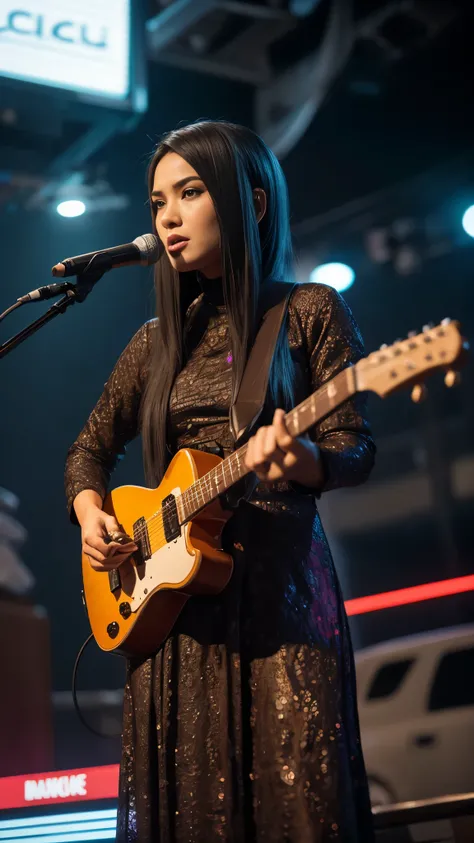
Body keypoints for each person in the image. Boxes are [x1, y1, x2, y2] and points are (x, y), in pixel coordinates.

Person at [65, 120, 376, 842]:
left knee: (299, 799)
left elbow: (353, 447)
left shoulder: (307, 311)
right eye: (157, 202)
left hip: (280, 602)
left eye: (191, 192)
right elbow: (87, 452)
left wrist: (300, 461)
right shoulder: (153, 342)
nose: (168, 218)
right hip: (174, 616)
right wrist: (92, 516)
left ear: (253, 204)